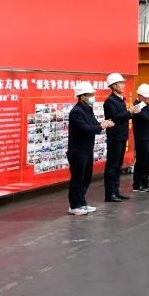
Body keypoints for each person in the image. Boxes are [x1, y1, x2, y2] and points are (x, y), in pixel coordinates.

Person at [67, 82, 114, 215]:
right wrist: (101, 126)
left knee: (86, 177)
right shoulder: (76, 112)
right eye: (90, 95)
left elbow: (93, 124)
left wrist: (102, 124)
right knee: (77, 178)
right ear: (82, 96)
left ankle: (82, 202)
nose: (92, 97)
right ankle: (74, 205)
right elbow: (85, 128)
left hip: (87, 149)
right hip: (77, 150)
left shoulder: (88, 108)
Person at [103, 72, 140, 203]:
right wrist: (129, 112)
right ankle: (110, 193)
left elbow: (123, 116)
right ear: (113, 86)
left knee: (118, 165)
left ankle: (116, 191)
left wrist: (132, 112)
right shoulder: (110, 101)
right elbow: (115, 117)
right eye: (120, 83)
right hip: (115, 136)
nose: (123, 85)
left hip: (122, 135)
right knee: (112, 166)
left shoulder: (120, 99)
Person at [131, 84, 149, 192]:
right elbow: (147, 118)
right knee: (141, 161)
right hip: (142, 137)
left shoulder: (146, 105)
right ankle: (138, 184)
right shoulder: (137, 106)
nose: (147, 99)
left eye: (148, 97)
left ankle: (145, 181)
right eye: (145, 97)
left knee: (148, 161)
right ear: (139, 95)